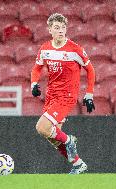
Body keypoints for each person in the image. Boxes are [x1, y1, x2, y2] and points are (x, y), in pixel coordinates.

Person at [30, 13, 96, 174]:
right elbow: (37, 67)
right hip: (51, 95)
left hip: (66, 97)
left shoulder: (75, 49)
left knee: (42, 128)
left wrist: (89, 94)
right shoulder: (45, 48)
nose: (61, 31)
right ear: (50, 30)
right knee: (53, 137)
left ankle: (70, 140)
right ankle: (78, 164)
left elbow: (90, 69)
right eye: (57, 28)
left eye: (63, 28)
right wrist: (34, 83)